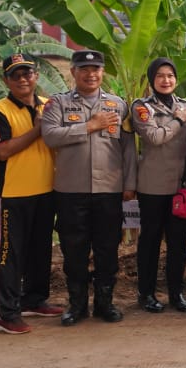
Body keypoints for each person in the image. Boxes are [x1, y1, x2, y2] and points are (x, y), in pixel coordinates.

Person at [41, 49, 137, 327]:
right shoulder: (57, 104)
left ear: (102, 72)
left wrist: (129, 184)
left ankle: (105, 303)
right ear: (73, 72)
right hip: (71, 190)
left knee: (107, 249)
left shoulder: (118, 105)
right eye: (84, 69)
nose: (90, 74)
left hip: (109, 189)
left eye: (96, 69)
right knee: (74, 249)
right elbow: (50, 136)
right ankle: (77, 304)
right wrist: (89, 126)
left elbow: (128, 148)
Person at [0, 53, 59, 333]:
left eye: (27, 73)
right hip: (12, 193)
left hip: (45, 190)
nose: (22, 79)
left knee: (40, 251)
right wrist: (37, 130)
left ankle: (34, 300)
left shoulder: (47, 106)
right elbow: (1, 150)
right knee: (9, 255)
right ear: (6, 80)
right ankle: (5, 313)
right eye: (15, 75)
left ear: (36, 76)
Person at [130, 57, 186, 313]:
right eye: (160, 76)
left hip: (180, 186)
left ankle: (176, 293)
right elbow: (155, 137)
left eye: (170, 75)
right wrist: (178, 120)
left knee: (178, 243)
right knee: (150, 242)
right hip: (153, 186)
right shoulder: (141, 107)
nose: (166, 80)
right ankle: (145, 293)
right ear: (152, 79)